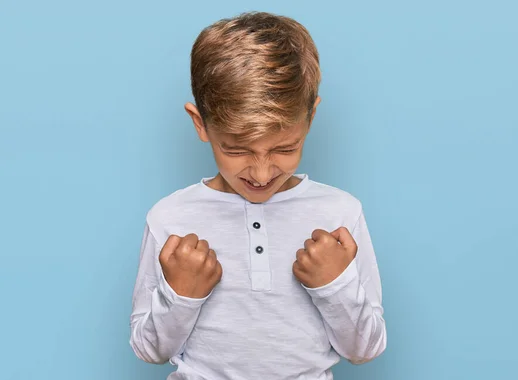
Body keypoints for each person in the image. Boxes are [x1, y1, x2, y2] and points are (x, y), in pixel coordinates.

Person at [129, 11, 387, 380]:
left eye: (284, 148)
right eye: (237, 151)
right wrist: (181, 295)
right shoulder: (169, 218)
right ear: (200, 123)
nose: (262, 173)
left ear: (310, 118)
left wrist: (335, 286)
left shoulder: (340, 213)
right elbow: (149, 350)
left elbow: (365, 349)